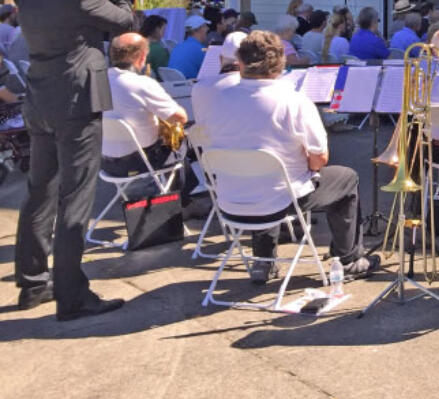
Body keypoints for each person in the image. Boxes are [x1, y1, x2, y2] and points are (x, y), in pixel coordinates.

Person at [14, 0, 136, 319]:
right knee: (76, 197)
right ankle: (72, 296)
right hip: (77, 100)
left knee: (39, 191)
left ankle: (33, 284)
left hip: (39, 96)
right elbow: (124, 23)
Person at [193, 31, 378, 284]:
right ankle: (348, 260)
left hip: (229, 201)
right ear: (280, 63)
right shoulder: (294, 101)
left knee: (259, 177)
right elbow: (319, 159)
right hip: (279, 201)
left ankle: (263, 262)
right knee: (346, 179)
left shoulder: (216, 100)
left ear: (241, 62)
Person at [101, 33, 187, 177]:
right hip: (141, 162)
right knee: (181, 144)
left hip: (106, 163)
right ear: (142, 57)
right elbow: (180, 118)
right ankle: (178, 196)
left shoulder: (98, 81)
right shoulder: (143, 84)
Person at [167, 14, 210, 79]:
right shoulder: (201, 49)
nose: (208, 28)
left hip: (175, 86)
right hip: (190, 86)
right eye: (205, 26)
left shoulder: (178, 46)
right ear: (199, 29)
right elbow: (210, 72)